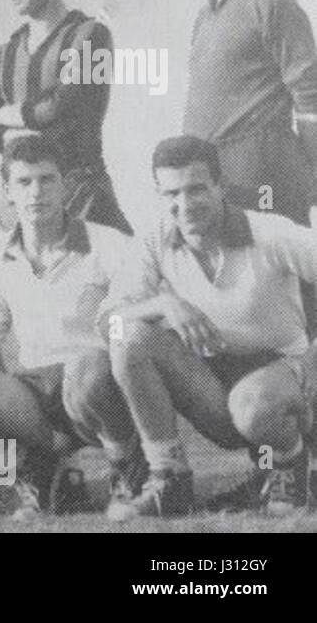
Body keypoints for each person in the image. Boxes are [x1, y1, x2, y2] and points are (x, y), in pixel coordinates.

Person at [0, 135, 144, 520]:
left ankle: (127, 469)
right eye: (24, 182)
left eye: (47, 180)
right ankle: (29, 467)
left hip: (96, 385)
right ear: (7, 191)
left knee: (88, 369)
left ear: (65, 185)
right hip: (34, 390)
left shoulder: (109, 244)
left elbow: (133, 327)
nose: (36, 192)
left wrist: (112, 363)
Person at [106, 136, 317, 519]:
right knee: (127, 336)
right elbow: (108, 319)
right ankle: (169, 478)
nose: (184, 205)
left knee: (253, 408)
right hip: (212, 382)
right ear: (158, 192)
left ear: (220, 186)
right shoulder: (155, 239)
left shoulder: (269, 232)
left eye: (196, 189)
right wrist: (165, 304)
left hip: (280, 375)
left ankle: (289, 465)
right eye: (172, 192)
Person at [168, 0, 317, 226]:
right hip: (213, 186)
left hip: (265, 183)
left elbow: (311, 98)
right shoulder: (205, 14)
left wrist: (316, 186)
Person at [0, 0, 130, 235]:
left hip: (83, 200)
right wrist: (13, 134)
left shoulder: (92, 35)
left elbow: (64, 106)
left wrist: (5, 115)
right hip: (16, 209)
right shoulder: (0, 56)